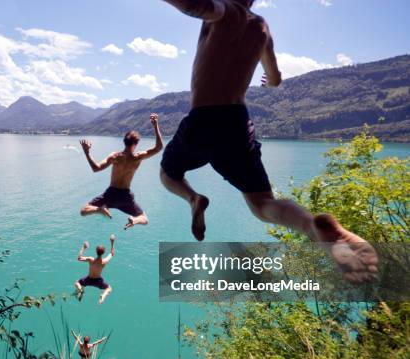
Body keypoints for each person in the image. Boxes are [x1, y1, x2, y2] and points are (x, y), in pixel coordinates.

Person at [160, 0, 378, 283]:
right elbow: (275, 78)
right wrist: (269, 80)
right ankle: (312, 226)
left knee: (169, 173)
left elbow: (198, 5)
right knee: (263, 203)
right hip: (237, 122)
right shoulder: (262, 28)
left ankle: (193, 198)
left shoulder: (225, 11)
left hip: (204, 118)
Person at [80, 114, 164, 230]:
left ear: (124, 142)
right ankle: (134, 220)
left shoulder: (115, 156)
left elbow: (96, 168)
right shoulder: (138, 157)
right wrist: (155, 125)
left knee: (84, 211)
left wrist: (87, 152)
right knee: (144, 219)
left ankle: (99, 210)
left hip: (110, 194)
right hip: (125, 196)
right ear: (136, 144)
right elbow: (159, 147)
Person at [75, 235, 115, 304]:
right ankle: (103, 296)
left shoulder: (91, 260)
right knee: (109, 288)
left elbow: (79, 258)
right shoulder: (104, 261)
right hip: (98, 281)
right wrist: (112, 242)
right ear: (103, 253)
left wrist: (83, 247)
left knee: (77, 283)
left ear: (96, 251)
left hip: (88, 279)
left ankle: (80, 289)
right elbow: (112, 253)